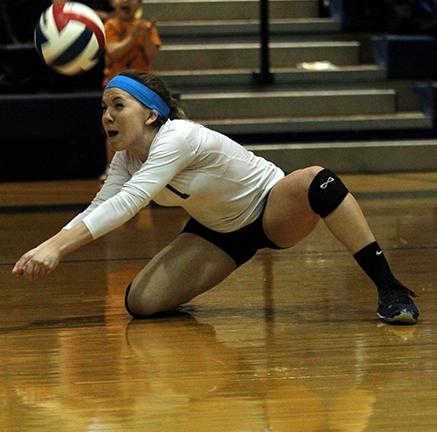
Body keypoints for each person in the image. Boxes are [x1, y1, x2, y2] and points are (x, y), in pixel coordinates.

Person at [12, 70, 420, 325]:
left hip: (270, 208)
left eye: (118, 105)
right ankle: (205, 281)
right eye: (103, 107)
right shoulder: (128, 158)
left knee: (317, 179)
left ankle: (391, 289)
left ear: (151, 114)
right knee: (141, 303)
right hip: (217, 233)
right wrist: (50, 245)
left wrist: (56, 249)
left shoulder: (178, 136)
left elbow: (129, 203)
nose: (106, 115)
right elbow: (102, 205)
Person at [102, 0, 161, 174]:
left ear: (139, 2)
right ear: (112, 1)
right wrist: (132, 37)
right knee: (113, 126)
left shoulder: (146, 27)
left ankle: (146, 169)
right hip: (115, 88)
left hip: (142, 90)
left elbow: (151, 54)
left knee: (144, 129)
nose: (125, 0)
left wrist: (144, 37)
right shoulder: (110, 25)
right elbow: (113, 51)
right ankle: (111, 169)